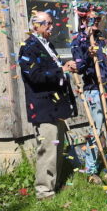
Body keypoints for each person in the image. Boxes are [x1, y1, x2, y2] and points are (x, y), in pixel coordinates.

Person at [18, 11, 78, 199]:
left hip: (56, 106)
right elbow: (34, 77)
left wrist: (65, 68)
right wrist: (62, 69)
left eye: (52, 23)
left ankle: (56, 185)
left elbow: (54, 70)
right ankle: (44, 192)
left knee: (57, 147)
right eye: (48, 24)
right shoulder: (28, 47)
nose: (52, 27)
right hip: (43, 107)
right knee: (48, 151)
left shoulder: (48, 45)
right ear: (36, 25)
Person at [71, 3, 107, 184]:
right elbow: (79, 67)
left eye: (98, 19)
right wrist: (87, 54)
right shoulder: (77, 41)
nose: (96, 22)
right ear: (84, 20)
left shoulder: (100, 38)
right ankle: (91, 170)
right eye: (93, 19)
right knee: (96, 130)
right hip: (94, 89)